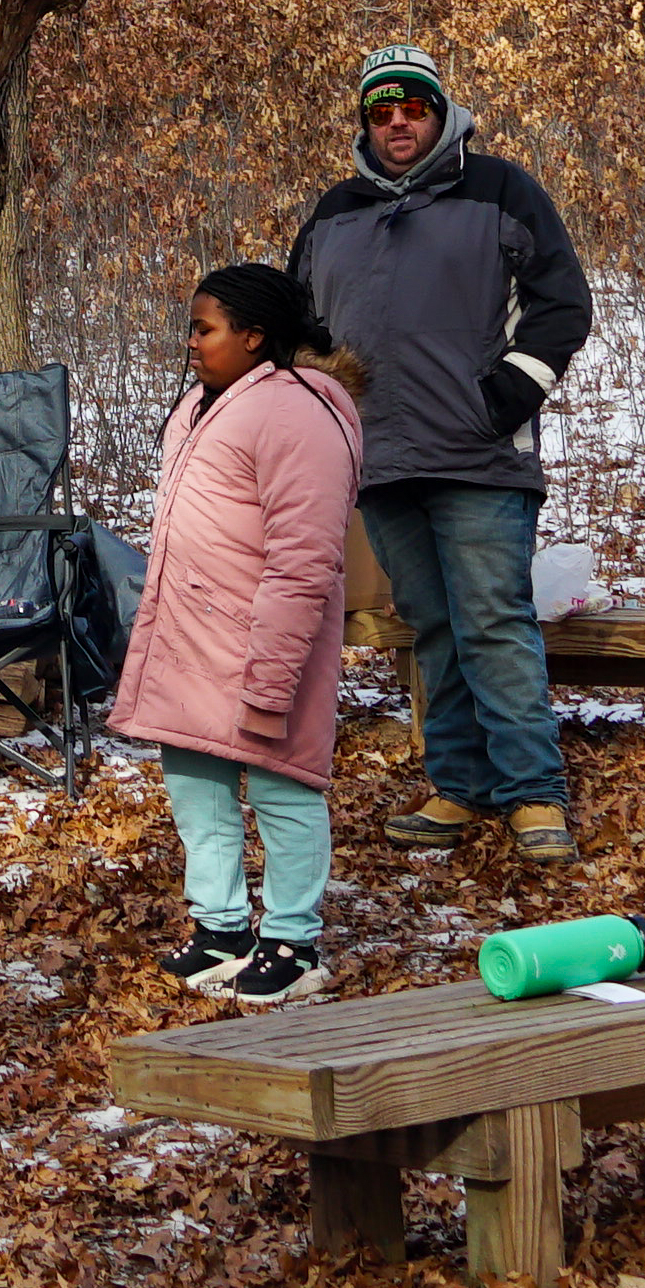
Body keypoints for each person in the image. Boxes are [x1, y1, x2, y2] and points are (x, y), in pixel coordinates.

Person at [287, 43, 597, 865]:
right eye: (382, 112)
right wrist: (323, 408)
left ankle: (534, 793)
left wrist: (503, 398)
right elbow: (297, 324)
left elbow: (562, 305)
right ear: (366, 123)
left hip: (479, 455)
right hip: (380, 460)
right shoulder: (334, 211)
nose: (398, 123)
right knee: (432, 628)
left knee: (493, 622)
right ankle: (459, 786)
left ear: (439, 112)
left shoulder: (498, 189)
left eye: (413, 109)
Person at [116, 260, 369, 1005]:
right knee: (198, 790)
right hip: (190, 642)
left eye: (205, 329)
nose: (191, 342)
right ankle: (221, 928)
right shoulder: (204, 404)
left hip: (264, 644)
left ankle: (293, 941)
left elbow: (305, 560)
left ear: (255, 336)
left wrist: (272, 677)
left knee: (284, 789)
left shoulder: (298, 413)